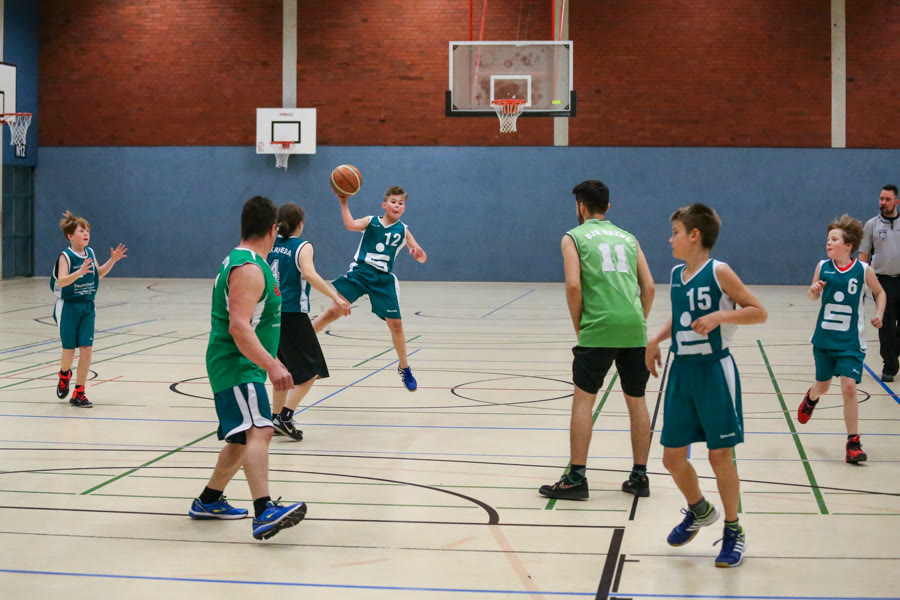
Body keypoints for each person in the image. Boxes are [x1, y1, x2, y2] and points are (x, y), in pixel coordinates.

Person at [645, 203, 767, 568]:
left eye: (676, 232)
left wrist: (720, 315)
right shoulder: (676, 274)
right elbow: (681, 317)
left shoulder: (719, 271)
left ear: (695, 235)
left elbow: (758, 311)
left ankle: (733, 530)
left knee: (719, 456)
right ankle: (699, 509)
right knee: (671, 457)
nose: (670, 239)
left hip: (714, 371)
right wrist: (656, 339)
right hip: (681, 373)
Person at [189, 195, 306, 541]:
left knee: (242, 438)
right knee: (260, 430)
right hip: (237, 363)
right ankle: (264, 510)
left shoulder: (248, 262)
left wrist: (271, 359)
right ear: (273, 230)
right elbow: (239, 326)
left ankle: (209, 500)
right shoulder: (250, 269)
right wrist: (272, 365)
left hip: (244, 363)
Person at [538, 180, 655, 501]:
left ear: (580, 206)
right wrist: (638, 321)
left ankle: (576, 478)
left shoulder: (573, 237)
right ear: (608, 207)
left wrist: (580, 326)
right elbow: (649, 287)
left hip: (598, 327)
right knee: (637, 401)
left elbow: (574, 286)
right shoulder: (630, 238)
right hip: (634, 328)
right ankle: (640, 477)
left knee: (584, 401)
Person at [312, 185, 427, 391]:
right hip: (361, 272)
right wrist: (343, 201)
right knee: (332, 311)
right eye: (393, 201)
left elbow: (422, 258)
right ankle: (298, 344)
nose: (397, 205)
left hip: (382, 279)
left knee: (396, 325)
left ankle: (404, 368)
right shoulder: (371, 221)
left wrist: (418, 254)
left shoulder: (403, 230)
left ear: (404, 208)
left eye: (401, 203)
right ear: (384, 205)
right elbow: (350, 225)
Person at [797, 215, 885, 464]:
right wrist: (813, 291)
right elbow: (813, 296)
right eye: (828, 239)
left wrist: (879, 314)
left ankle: (852, 443)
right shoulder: (822, 266)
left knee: (849, 387)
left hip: (851, 343)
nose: (829, 243)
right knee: (822, 386)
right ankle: (812, 397)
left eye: (834, 239)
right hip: (824, 340)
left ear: (848, 245)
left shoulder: (863, 270)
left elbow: (880, 292)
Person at [267, 203, 351, 441]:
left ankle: (275, 418)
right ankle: (285, 417)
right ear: (300, 225)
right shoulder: (302, 246)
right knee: (311, 371)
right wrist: (336, 297)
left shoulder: (269, 244)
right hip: (293, 314)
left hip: (271, 314)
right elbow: (310, 274)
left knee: (284, 371)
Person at [51, 211, 127, 408]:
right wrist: (79, 272)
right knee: (69, 351)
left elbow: (98, 274)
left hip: (87, 306)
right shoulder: (65, 257)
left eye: (87, 231)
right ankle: (64, 374)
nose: (86, 234)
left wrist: (113, 260)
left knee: (86, 349)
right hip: (68, 307)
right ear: (70, 236)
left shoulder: (90, 253)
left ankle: (79, 393)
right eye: (81, 231)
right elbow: (62, 280)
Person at [859, 185, 900, 382]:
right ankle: (889, 366)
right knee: (886, 326)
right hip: (882, 282)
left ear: (896, 202)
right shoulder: (871, 225)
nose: (883, 202)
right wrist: (861, 281)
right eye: (881, 199)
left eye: (887, 199)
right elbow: (863, 256)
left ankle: (893, 352)